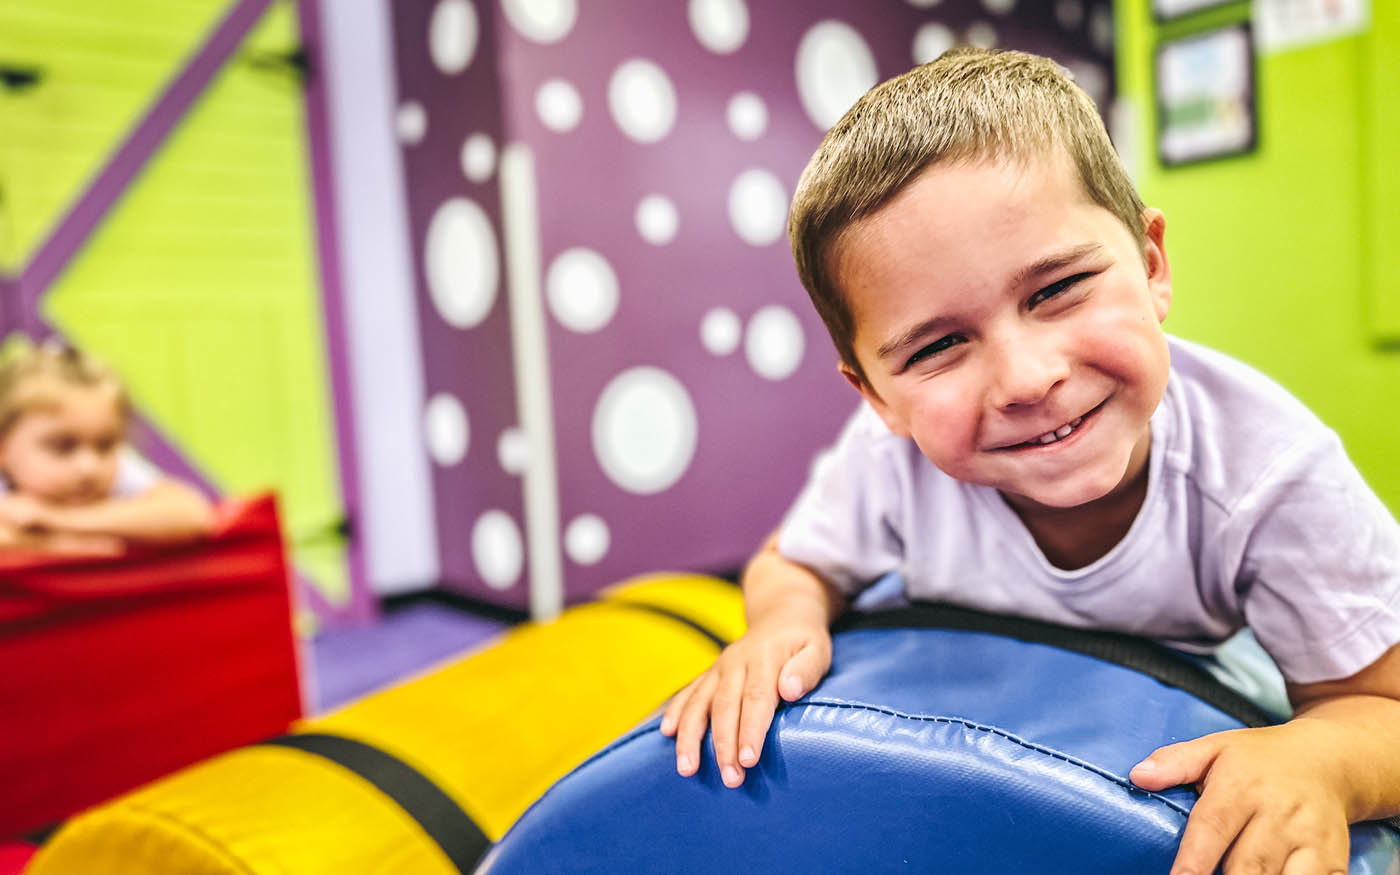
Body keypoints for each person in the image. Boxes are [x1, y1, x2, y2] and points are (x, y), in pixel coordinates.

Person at [661, 48, 1400, 875]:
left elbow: (1382, 707)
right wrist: (784, 621)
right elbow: (794, 563)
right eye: (940, 346)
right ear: (876, 397)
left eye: (1057, 289)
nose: (1026, 377)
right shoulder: (887, 462)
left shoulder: (1270, 475)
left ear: (1152, 264)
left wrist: (1324, 760)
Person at [0, 341, 215, 555]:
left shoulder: (119, 467)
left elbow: (193, 514)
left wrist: (54, 519)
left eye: (105, 445)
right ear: (4, 449)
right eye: (62, 447)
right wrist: (52, 545)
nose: (89, 467)